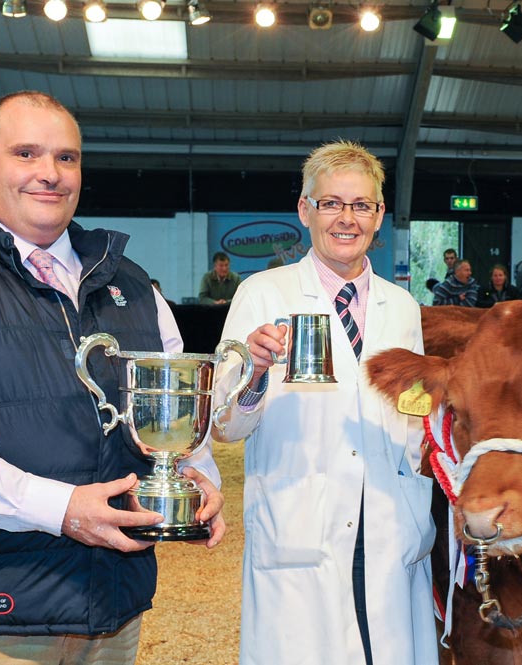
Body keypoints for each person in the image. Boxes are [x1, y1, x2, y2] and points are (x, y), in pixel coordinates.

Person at [0, 91, 225, 664]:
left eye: (66, 158)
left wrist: (195, 474)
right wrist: (59, 508)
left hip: (112, 608)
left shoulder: (135, 285)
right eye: (26, 153)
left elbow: (178, 415)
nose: (49, 174)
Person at [212, 140, 436, 665]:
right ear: (304, 210)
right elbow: (225, 427)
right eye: (331, 203)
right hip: (301, 527)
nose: (346, 219)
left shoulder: (402, 307)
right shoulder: (263, 294)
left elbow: (414, 410)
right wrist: (255, 372)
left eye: (361, 205)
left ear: (379, 216)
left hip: (388, 520)